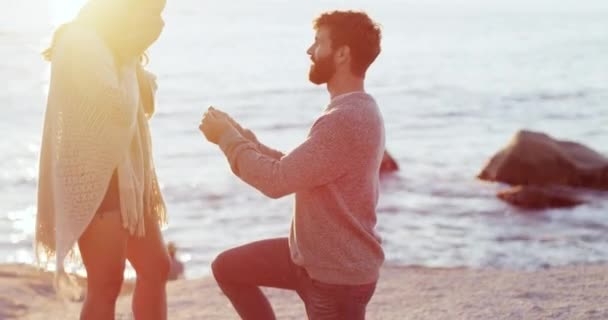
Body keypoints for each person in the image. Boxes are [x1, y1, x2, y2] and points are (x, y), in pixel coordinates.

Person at [200, 10, 385, 320]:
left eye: (318, 42)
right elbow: (297, 169)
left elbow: (276, 181)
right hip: (309, 258)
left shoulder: (345, 120)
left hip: (336, 277)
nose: (310, 51)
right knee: (228, 268)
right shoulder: (354, 110)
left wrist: (227, 140)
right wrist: (242, 137)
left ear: (342, 54)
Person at [35, 0, 170, 319]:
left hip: (129, 179)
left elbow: (144, 106)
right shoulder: (81, 41)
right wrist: (130, 56)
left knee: (156, 267)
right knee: (106, 284)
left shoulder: (116, 42)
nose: (155, 20)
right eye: (151, 11)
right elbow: (117, 109)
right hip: (95, 178)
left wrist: (133, 55)